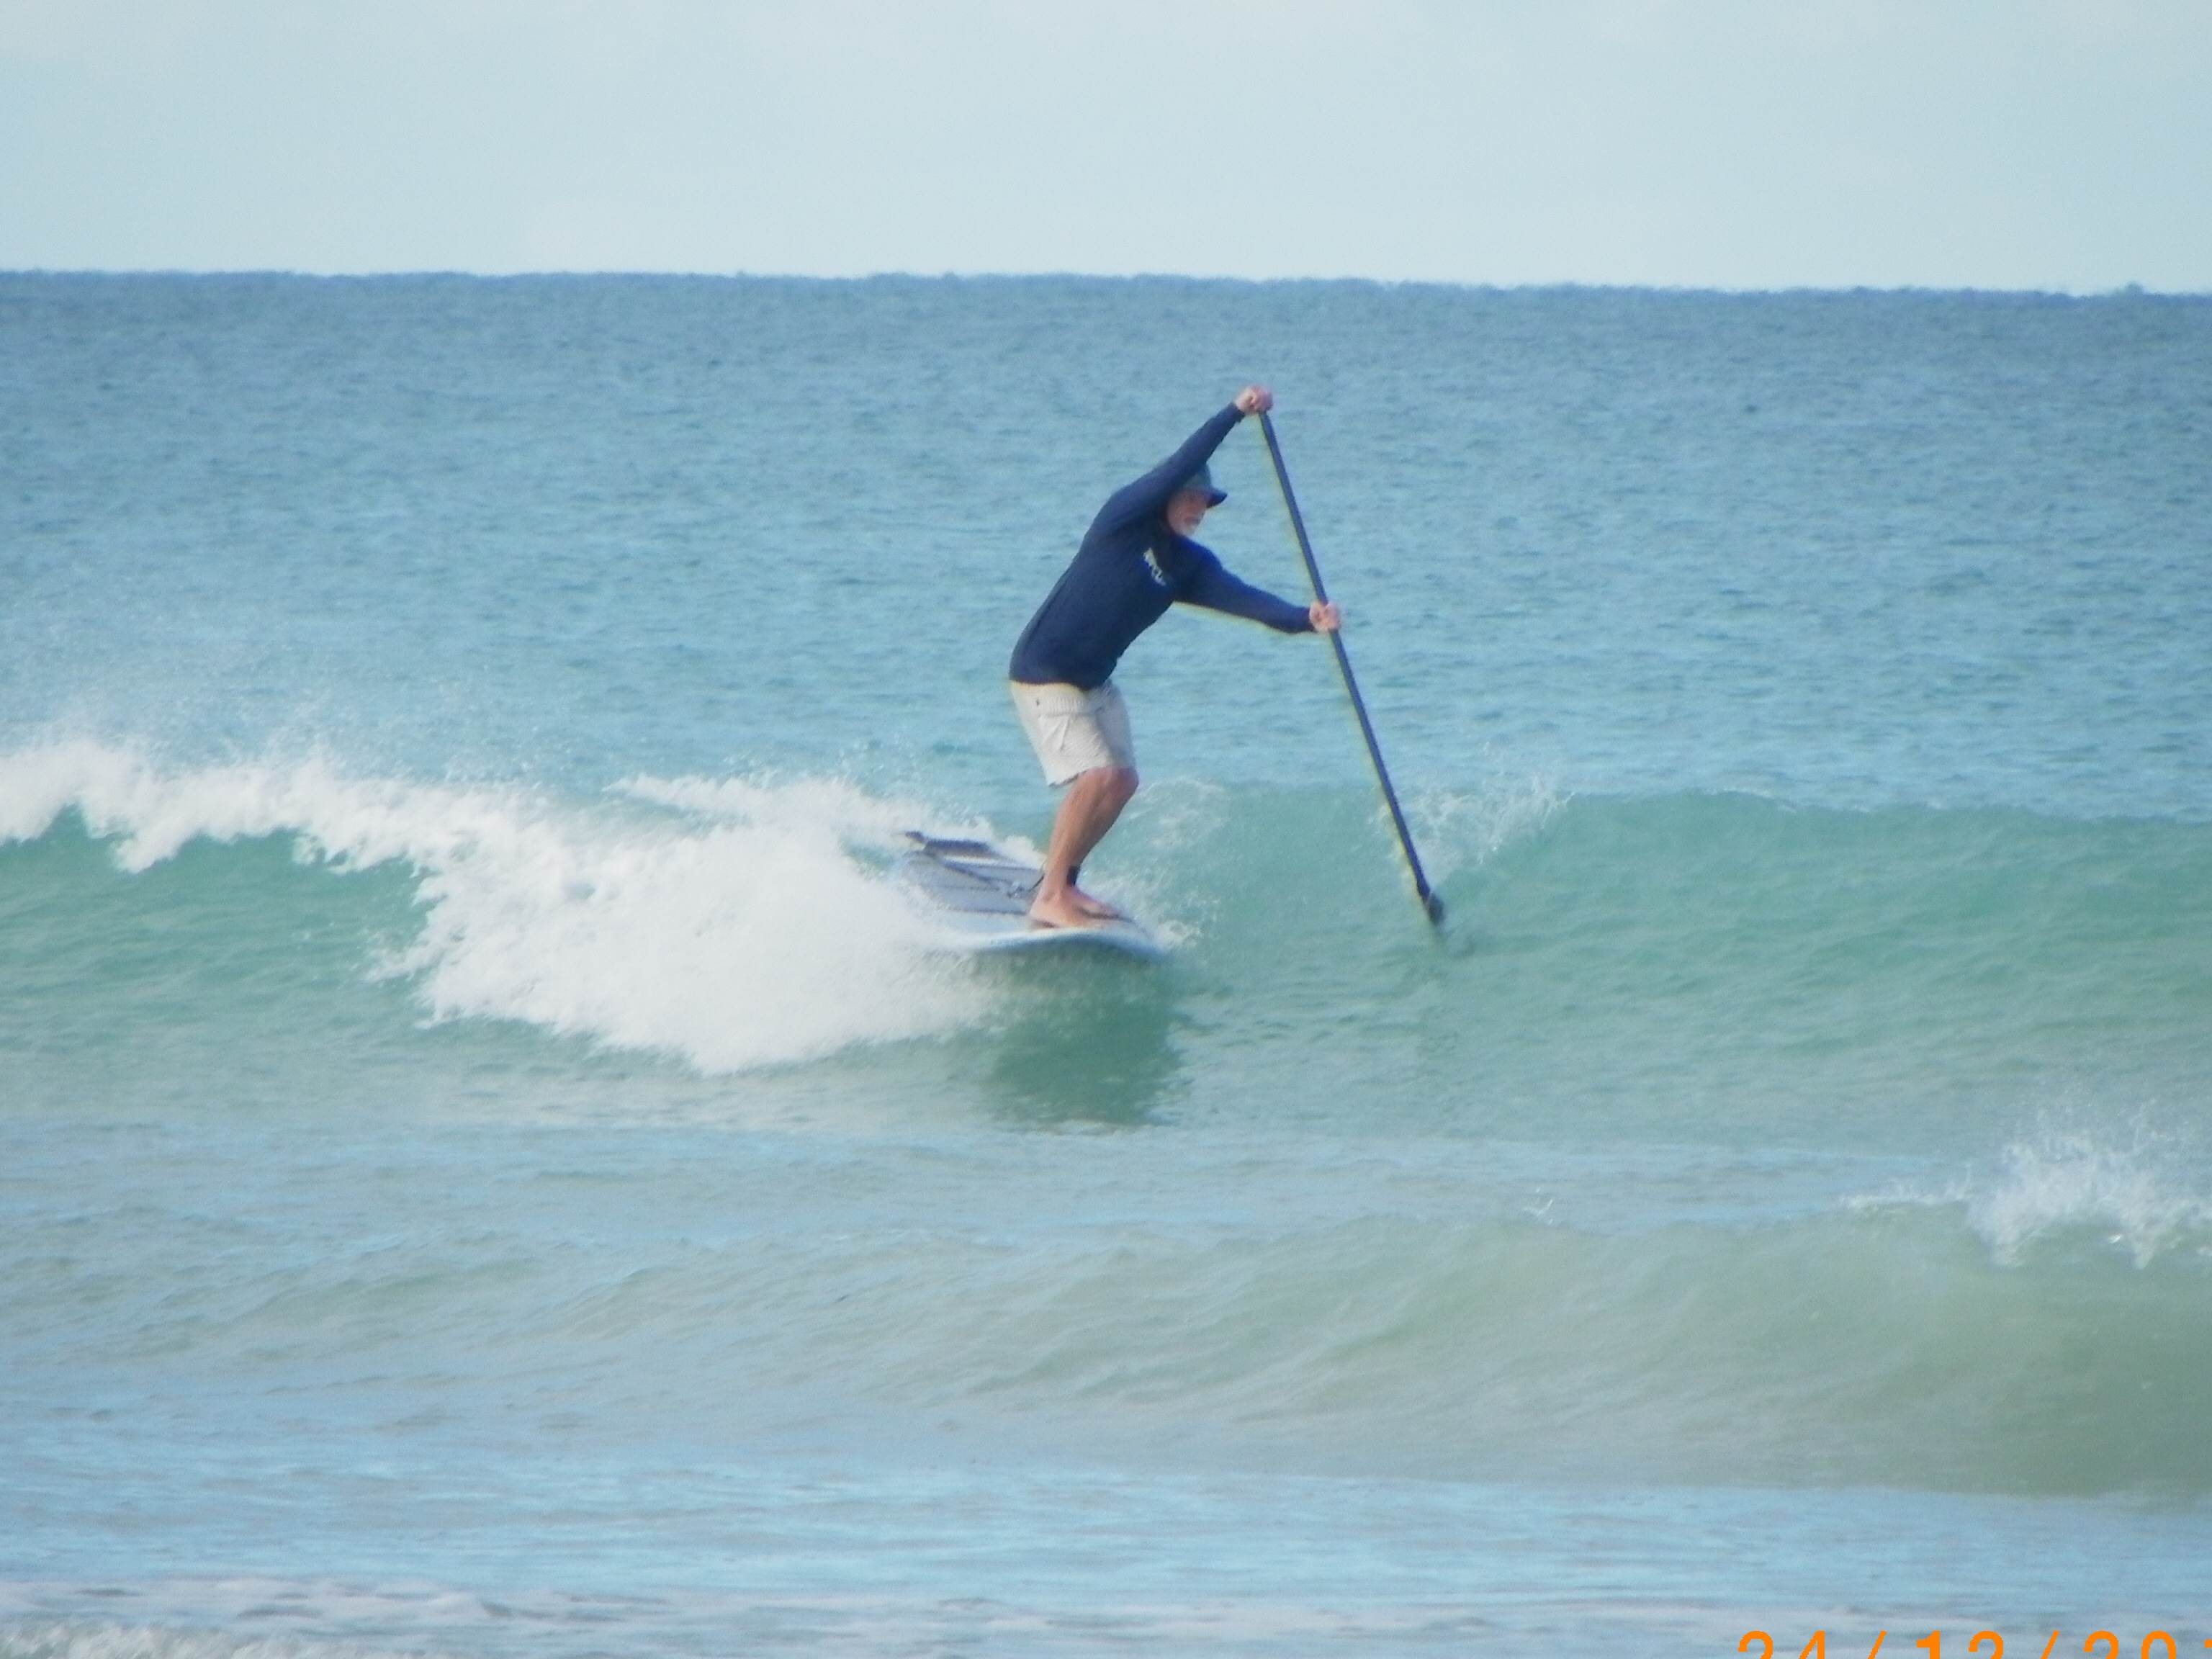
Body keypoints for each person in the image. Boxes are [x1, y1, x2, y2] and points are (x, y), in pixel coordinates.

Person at [1008, 385, 1341, 930]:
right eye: (1190, 499)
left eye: (1205, 503)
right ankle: (1049, 895)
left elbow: (1246, 601)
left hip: (1095, 684)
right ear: (1166, 496)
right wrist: (1235, 413)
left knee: (1122, 782)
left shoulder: (1189, 566)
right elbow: (1184, 460)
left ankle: (1064, 882)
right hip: (1046, 673)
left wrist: (1307, 619)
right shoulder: (1123, 521)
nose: (1199, 510)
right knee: (1097, 777)